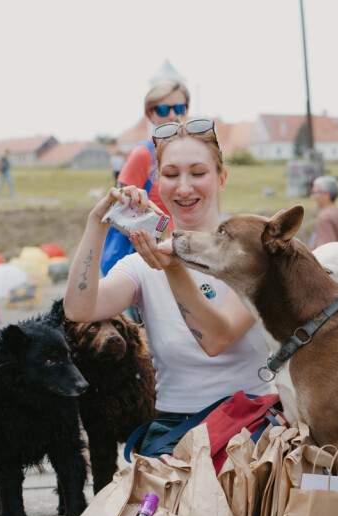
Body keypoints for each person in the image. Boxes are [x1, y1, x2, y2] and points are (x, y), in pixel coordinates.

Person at [64, 118, 271, 445]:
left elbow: (217, 339)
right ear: (156, 181)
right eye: (171, 175)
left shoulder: (253, 253)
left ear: (221, 179)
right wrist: (98, 222)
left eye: (198, 173)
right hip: (174, 426)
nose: (184, 188)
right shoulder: (142, 263)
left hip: (250, 421)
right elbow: (79, 308)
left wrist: (173, 267)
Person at [101, 78, 191, 277]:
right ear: (150, 113)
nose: (173, 115)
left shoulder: (192, 151)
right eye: (163, 110)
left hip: (183, 253)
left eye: (179, 108)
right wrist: (158, 239)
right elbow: (119, 211)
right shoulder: (143, 153)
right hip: (145, 260)